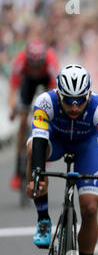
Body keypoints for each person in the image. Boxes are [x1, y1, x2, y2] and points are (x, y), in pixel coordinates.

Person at [26, 64, 98, 255]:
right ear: (59, 95)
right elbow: (40, 143)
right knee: (32, 148)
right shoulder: (45, 102)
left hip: (87, 146)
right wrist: (36, 177)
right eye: (68, 101)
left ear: (89, 94)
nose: (74, 107)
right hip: (56, 142)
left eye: (80, 101)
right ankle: (43, 219)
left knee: (90, 208)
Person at [8, 39, 59, 190]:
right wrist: (14, 109)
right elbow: (12, 90)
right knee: (23, 122)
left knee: (49, 114)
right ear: (27, 59)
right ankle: (18, 172)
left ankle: (45, 145)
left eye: (38, 65)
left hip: (46, 82)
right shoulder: (20, 61)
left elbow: (54, 92)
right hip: (27, 82)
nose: (36, 68)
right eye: (32, 65)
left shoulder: (50, 60)